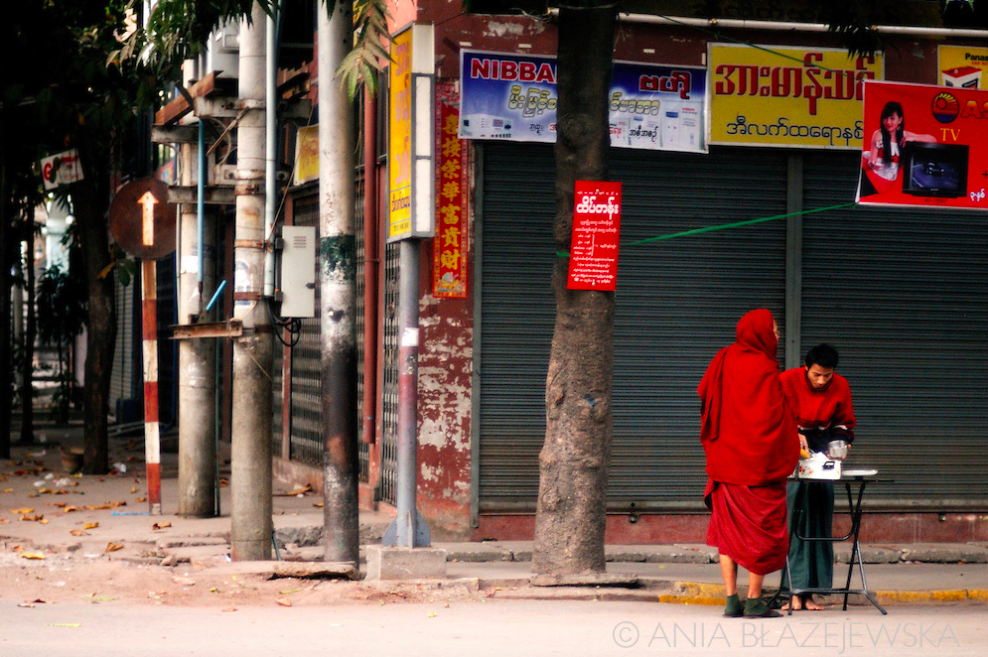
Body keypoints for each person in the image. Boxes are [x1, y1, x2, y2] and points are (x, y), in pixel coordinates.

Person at [698, 309, 800, 618]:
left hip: (726, 462)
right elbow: (772, 419)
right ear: (760, 332)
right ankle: (754, 600)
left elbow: (704, 393)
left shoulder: (723, 358)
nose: (777, 335)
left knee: (728, 530)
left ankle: (731, 599)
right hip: (758, 468)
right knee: (764, 531)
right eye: (774, 329)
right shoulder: (765, 367)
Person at [779, 343, 856, 611]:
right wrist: (791, 431)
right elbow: (771, 416)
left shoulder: (841, 386)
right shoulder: (786, 381)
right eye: (816, 375)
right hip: (791, 450)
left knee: (820, 519)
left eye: (827, 375)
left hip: (822, 452)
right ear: (805, 368)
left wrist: (841, 444)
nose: (822, 380)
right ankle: (793, 591)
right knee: (795, 518)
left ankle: (812, 592)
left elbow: (844, 423)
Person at [862, 101, 936, 193]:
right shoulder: (878, 134)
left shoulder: (904, 135)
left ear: (900, 120)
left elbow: (933, 139)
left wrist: (913, 138)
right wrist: (873, 163)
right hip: (873, 176)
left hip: (891, 180)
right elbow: (872, 159)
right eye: (886, 118)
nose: (888, 122)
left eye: (892, 118)